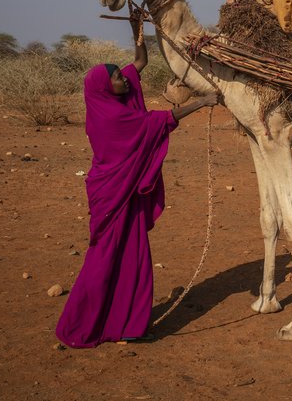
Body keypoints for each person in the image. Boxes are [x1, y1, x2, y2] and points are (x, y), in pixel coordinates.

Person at [56, 22, 217, 348]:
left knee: (132, 257)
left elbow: (138, 64)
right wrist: (202, 102)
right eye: (116, 78)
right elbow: (160, 121)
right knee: (104, 259)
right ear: (104, 85)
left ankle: (129, 324)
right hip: (113, 195)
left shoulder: (106, 103)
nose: (123, 80)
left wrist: (139, 33)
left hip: (121, 193)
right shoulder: (113, 117)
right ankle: (81, 323)